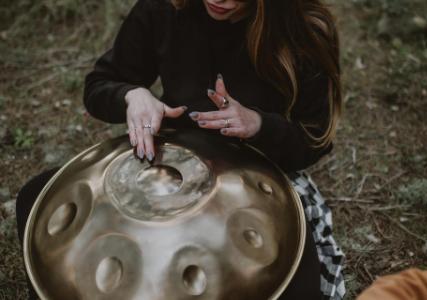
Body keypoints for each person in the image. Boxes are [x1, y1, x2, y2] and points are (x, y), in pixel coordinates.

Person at [16, 0, 345, 299]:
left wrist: (258, 124)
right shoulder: (165, 8)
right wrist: (132, 96)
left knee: (292, 286)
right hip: (172, 156)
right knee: (35, 199)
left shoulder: (303, 29)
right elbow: (101, 82)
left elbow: (314, 139)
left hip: (263, 169)